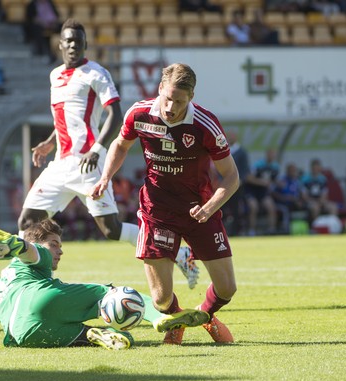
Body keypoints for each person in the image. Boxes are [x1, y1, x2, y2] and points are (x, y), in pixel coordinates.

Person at [17, 19, 200, 288]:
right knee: (27, 221)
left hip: (88, 164)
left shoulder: (96, 73)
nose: (73, 46)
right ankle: (25, 281)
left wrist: (97, 149)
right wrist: (49, 141)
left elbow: (115, 113)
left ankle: (180, 253)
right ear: (60, 44)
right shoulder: (55, 75)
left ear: (85, 45)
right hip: (59, 164)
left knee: (111, 230)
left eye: (78, 42)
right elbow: (67, 118)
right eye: (68, 41)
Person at [91, 63, 238, 345]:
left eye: (179, 101)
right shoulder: (140, 113)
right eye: (167, 98)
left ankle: (204, 316)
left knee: (227, 288)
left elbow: (231, 176)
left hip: (200, 211)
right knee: (160, 300)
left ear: (191, 97)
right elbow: (121, 145)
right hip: (157, 210)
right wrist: (106, 177)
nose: (170, 106)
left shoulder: (205, 125)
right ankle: (175, 318)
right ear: (159, 89)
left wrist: (210, 207)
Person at [0, 219, 209, 349]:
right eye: (55, 245)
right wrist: (18, 244)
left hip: (22, 335)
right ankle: (158, 317)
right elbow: (33, 251)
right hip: (41, 297)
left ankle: (90, 335)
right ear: (39, 244)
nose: (59, 251)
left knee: (96, 335)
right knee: (110, 292)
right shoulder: (35, 259)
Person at [245, 148, 280, 235]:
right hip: (252, 190)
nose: (272, 156)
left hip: (263, 192)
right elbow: (248, 178)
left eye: (274, 154)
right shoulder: (258, 165)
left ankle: (271, 230)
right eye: (271, 154)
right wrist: (261, 182)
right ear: (267, 154)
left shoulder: (275, 167)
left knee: (271, 207)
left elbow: (273, 180)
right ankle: (251, 230)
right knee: (254, 207)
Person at [24, 0, 61, 64]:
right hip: (39, 25)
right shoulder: (32, 4)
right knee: (36, 28)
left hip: (52, 24)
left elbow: (56, 15)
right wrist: (43, 23)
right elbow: (31, 18)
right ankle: (40, 50)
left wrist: (53, 23)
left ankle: (56, 51)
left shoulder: (50, 3)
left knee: (63, 26)